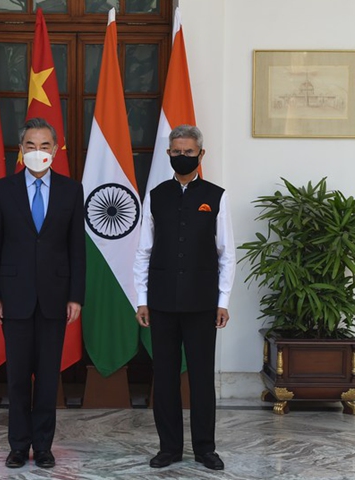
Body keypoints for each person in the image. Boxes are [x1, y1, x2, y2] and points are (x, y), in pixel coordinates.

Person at [0, 117, 86, 469]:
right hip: (14, 297)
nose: (38, 152)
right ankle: (17, 445)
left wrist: (76, 296)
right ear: (20, 149)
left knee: (46, 377)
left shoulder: (72, 190)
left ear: (55, 151)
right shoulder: (1, 190)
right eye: (31, 145)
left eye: (45, 146)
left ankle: (42, 446)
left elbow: (77, 249)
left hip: (56, 297)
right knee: (17, 377)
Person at [133, 124, 236, 471]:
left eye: (188, 152)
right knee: (164, 377)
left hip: (202, 303)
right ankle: (169, 448)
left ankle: (205, 449)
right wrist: (141, 298)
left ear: (200, 154)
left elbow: (227, 254)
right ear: (168, 154)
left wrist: (223, 300)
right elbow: (143, 251)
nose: (182, 157)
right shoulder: (156, 195)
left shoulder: (216, 196)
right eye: (176, 152)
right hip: (161, 302)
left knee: (202, 378)